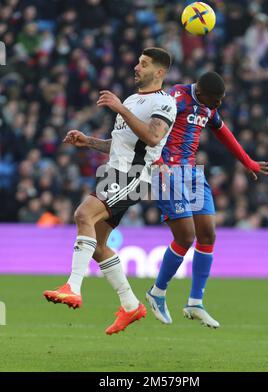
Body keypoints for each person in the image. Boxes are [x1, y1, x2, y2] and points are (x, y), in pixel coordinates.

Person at [43, 47, 177, 335]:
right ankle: (131, 305)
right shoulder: (131, 100)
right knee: (99, 247)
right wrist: (89, 141)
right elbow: (122, 142)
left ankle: (73, 286)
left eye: (143, 64)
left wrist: (120, 108)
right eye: (138, 62)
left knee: (83, 215)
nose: (136, 67)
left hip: (134, 174)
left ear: (160, 73)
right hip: (115, 172)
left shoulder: (164, 103)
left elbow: (153, 137)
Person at [146, 72, 268, 328]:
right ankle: (157, 292)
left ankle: (195, 302)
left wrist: (247, 161)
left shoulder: (207, 106)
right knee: (185, 237)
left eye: (221, 99)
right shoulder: (176, 98)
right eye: (216, 99)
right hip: (167, 171)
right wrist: (157, 161)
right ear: (201, 93)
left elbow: (223, 132)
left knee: (208, 235)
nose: (219, 104)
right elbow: (150, 131)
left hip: (192, 172)